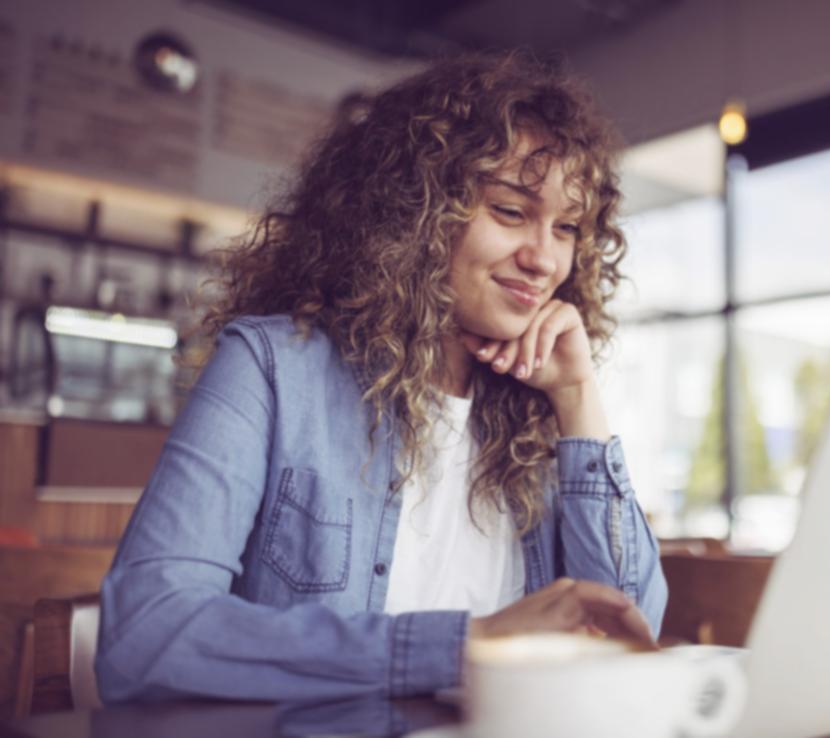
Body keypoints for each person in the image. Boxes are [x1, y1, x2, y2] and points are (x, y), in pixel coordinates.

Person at [95, 52, 668, 703]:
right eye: (510, 211)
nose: (544, 259)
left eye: (567, 228)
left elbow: (632, 628)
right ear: (413, 215)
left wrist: (576, 399)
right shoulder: (272, 368)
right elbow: (146, 631)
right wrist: (463, 648)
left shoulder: (537, 410)